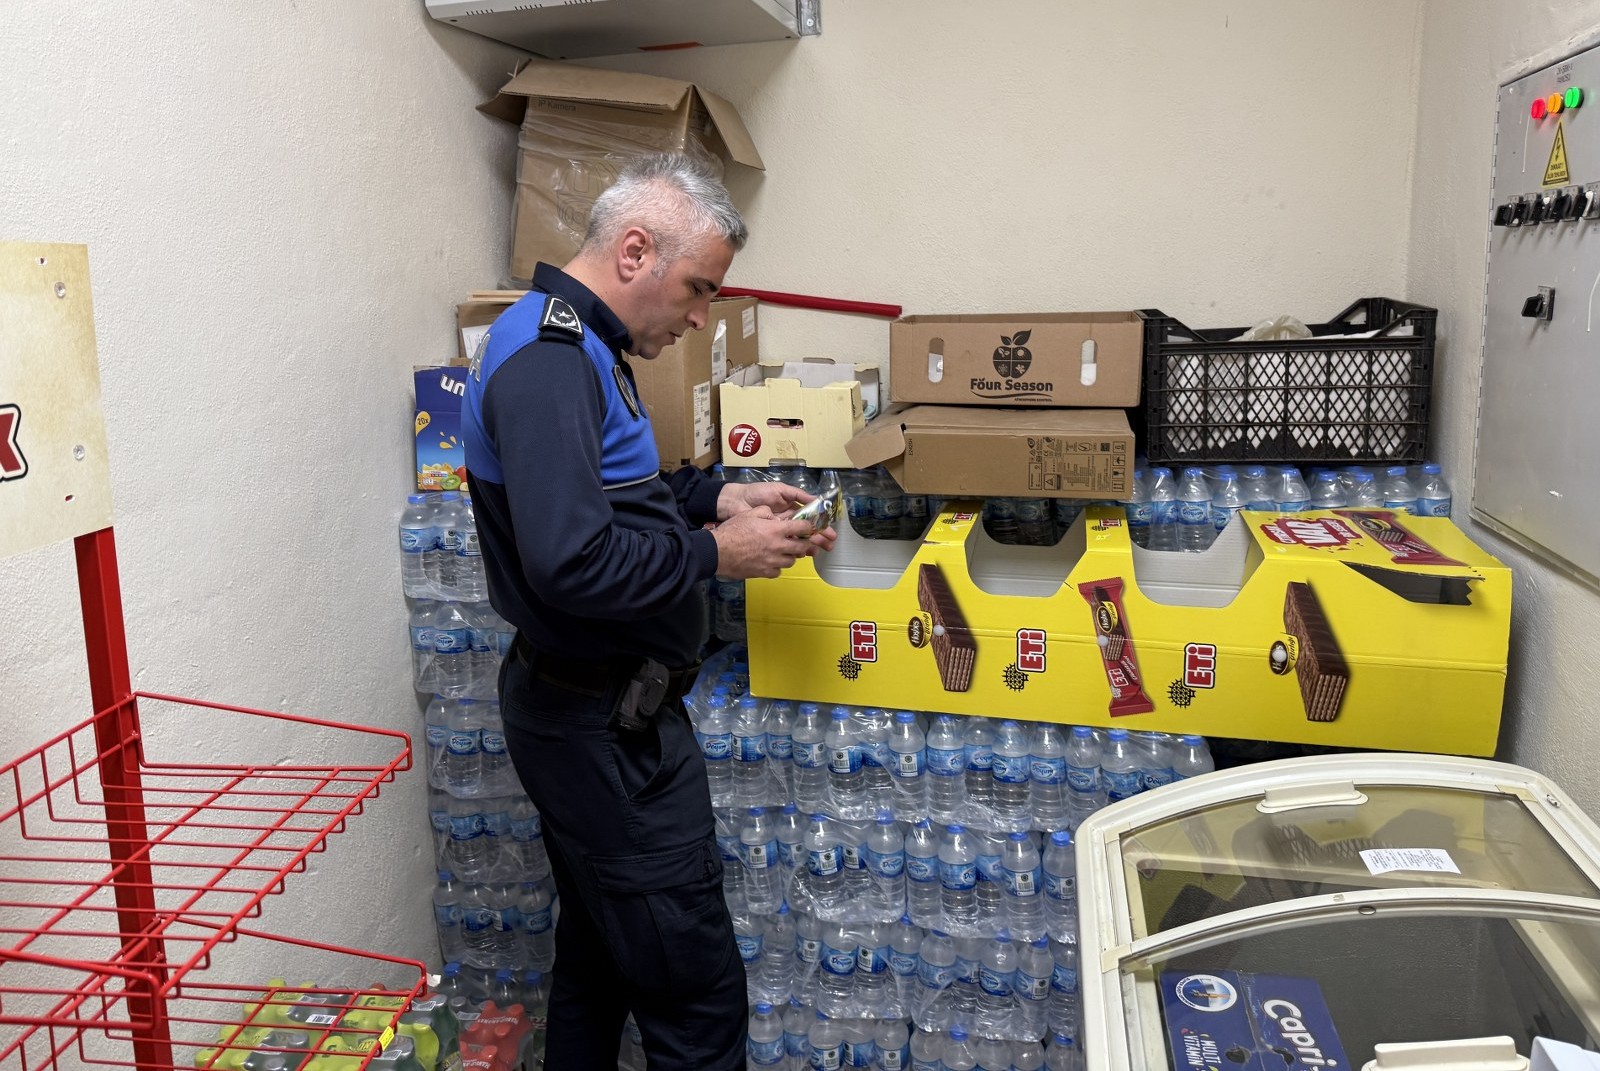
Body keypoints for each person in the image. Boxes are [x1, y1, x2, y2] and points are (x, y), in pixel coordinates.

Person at [461, 152, 834, 1071]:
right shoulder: (550, 363)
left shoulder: (584, 346)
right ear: (635, 251)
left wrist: (712, 501)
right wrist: (717, 554)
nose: (703, 315)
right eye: (699, 288)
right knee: (693, 997)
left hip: (601, 714)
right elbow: (573, 562)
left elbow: (613, 500)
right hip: (601, 727)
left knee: (600, 960)